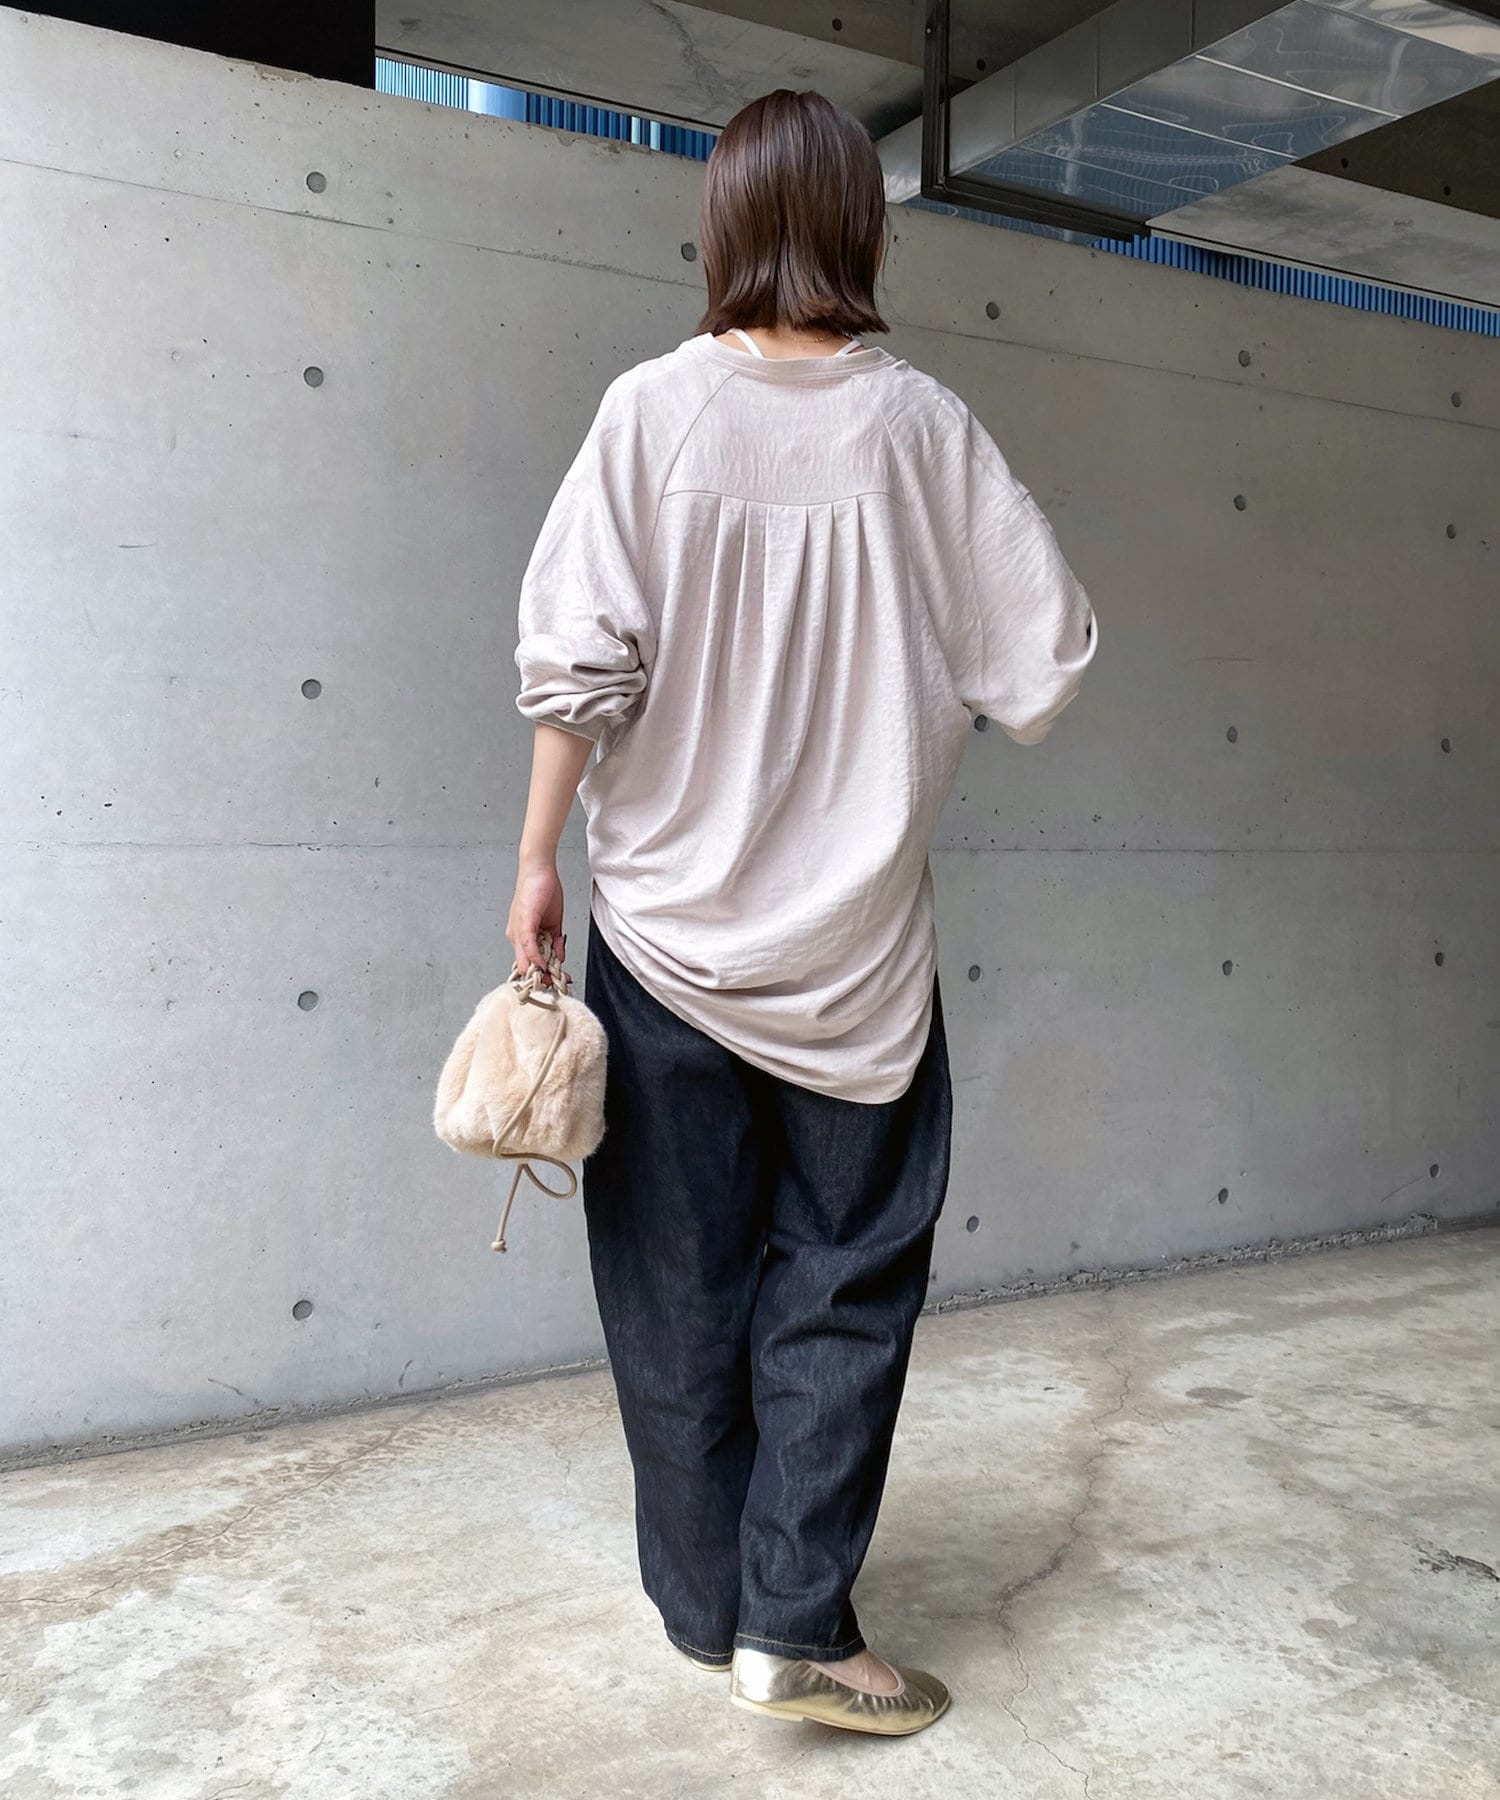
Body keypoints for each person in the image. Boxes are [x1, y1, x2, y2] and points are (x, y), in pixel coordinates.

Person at [505, 88, 1098, 1737]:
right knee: (841, 1282)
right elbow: (1045, 664)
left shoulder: (652, 413)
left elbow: (574, 671)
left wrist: (539, 862)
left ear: (722, 223)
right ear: (861, 225)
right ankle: (795, 1625)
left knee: (673, 1290)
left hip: (662, 940)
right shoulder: (922, 430)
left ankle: (711, 1611)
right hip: (856, 965)